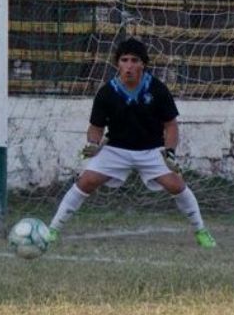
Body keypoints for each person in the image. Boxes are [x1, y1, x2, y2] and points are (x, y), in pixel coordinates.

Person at [47, 38, 216, 249]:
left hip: (152, 150)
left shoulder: (157, 89)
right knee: (86, 181)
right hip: (116, 149)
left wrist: (170, 152)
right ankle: (52, 229)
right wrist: (93, 143)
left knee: (176, 185)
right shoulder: (106, 92)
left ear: (143, 64)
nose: (129, 65)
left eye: (134, 60)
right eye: (124, 60)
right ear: (117, 63)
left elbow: (171, 125)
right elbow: (96, 127)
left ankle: (201, 231)